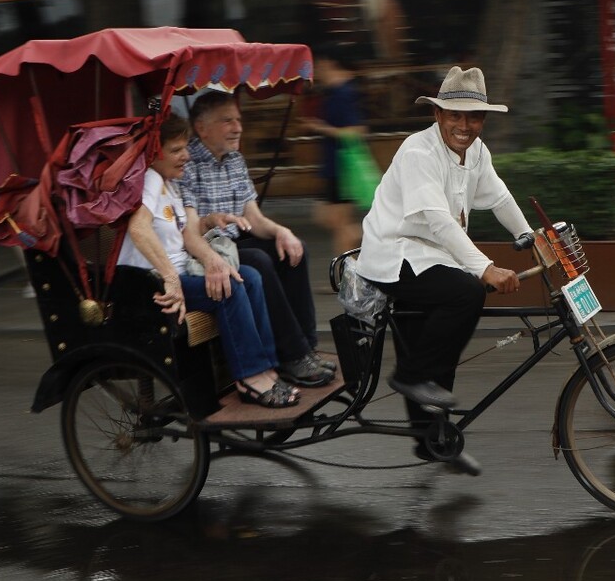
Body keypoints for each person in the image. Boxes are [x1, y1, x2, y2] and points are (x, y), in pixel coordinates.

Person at [356, 66, 533, 476]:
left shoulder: (477, 152)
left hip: (432, 257)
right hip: (394, 254)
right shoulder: (418, 152)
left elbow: (500, 196)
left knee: (438, 336)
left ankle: (432, 440)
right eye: (455, 115)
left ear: (483, 120)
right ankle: (410, 375)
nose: (464, 125)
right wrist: (485, 268)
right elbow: (437, 220)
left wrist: (529, 234)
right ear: (438, 116)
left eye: (473, 117)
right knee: (465, 294)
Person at [119, 113, 299, 408]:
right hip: (150, 284)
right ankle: (250, 376)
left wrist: (210, 223)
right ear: (153, 153)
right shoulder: (149, 179)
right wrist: (170, 279)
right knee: (229, 289)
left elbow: (186, 234)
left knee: (250, 277)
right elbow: (138, 228)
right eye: (176, 150)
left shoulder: (170, 184)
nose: (186, 156)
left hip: (178, 274)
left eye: (185, 148)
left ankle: (266, 368)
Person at [183, 90, 335, 386]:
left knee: (294, 249)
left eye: (238, 120)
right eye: (227, 121)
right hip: (206, 250)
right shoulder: (187, 164)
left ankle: (306, 346)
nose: (238, 127)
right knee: (258, 259)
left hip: (236, 242)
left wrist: (282, 232)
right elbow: (189, 229)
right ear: (202, 128)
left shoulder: (234, 160)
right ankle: (291, 355)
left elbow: (254, 219)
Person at [301, 43, 366, 255]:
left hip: (342, 168)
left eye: (319, 65)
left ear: (329, 64)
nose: (317, 71)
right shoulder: (334, 92)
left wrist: (321, 127)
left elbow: (356, 131)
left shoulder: (343, 93)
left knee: (340, 226)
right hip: (334, 167)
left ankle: (343, 278)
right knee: (326, 218)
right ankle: (347, 273)